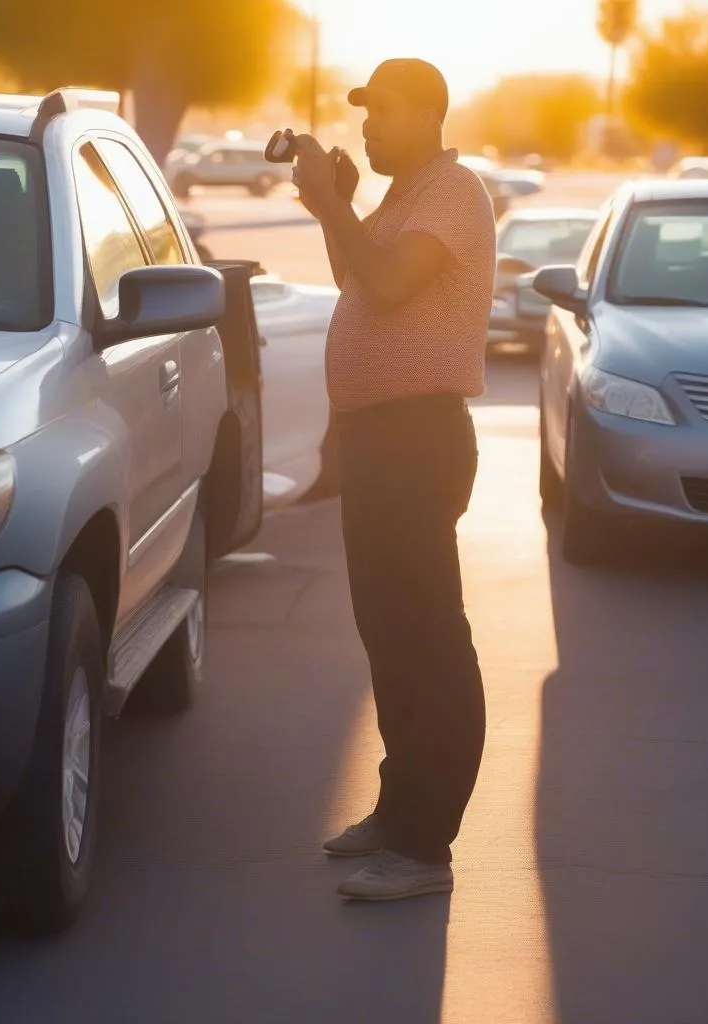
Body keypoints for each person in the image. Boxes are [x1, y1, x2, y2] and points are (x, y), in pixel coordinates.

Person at [291, 58, 495, 901]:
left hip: (419, 442)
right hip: (379, 445)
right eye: (365, 113)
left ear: (430, 115)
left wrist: (334, 204)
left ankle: (423, 849)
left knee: (430, 639)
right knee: (387, 633)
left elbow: (384, 281)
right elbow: (357, 280)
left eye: (383, 114)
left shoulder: (453, 191)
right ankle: (398, 809)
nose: (368, 128)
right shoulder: (402, 195)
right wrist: (329, 209)